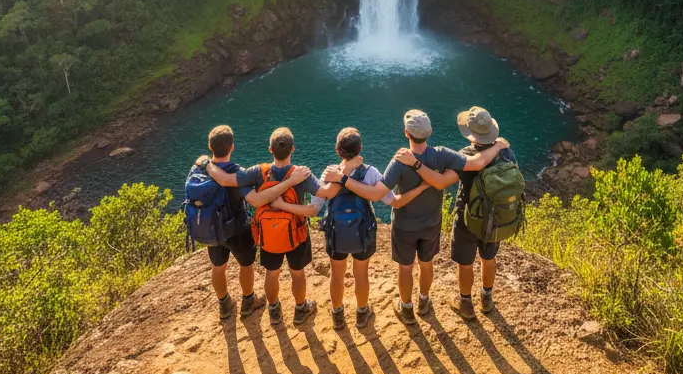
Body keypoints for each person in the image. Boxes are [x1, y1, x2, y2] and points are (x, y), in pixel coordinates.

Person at [333, 109, 507, 326]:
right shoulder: (442, 155)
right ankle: (424, 301)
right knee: (427, 263)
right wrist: (499, 145)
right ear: (430, 131)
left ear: (407, 133)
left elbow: (376, 194)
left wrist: (343, 179)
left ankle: (407, 309)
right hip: (432, 223)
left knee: (405, 267)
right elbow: (473, 165)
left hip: (405, 225)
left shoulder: (399, 161)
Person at [271, 127, 432, 330]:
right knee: (361, 274)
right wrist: (421, 187)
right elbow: (395, 202)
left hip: (336, 233)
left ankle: (337, 314)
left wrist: (281, 205)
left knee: (336, 275)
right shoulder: (371, 173)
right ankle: (362, 312)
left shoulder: (329, 173)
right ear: (360, 149)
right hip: (362, 233)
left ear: (338, 151)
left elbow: (313, 209)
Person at [397, 106, 518, 320]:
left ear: (471, 134)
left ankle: (465, 303)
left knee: (466, 262)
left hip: (468, 217)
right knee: (489, 257)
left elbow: (441, 182)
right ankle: (487, 298)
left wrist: (416, 165)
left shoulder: (467, 155)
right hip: (496, 216)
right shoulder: (506, 151)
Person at [207, 127, 321, 326]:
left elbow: (226, 180)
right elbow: (325, 192)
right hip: (296, 232)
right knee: (297, 273)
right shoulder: (302, 174)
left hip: (269, 234)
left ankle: (274, 310)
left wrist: (205, 163)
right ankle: (300, 308)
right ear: (293, 149)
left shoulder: (256, 173)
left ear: (270, 149)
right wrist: (340, 175)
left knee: (272, 272)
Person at [190, 124, 301, 321]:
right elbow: (255, 199)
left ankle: (224, 304)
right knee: (246, 265)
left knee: (218, 266)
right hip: (237, 229)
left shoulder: (198, 168)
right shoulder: (236, 171)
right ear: (232, 147)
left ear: (210, 146)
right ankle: (248, 301)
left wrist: (205, 162)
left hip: (213, 229)